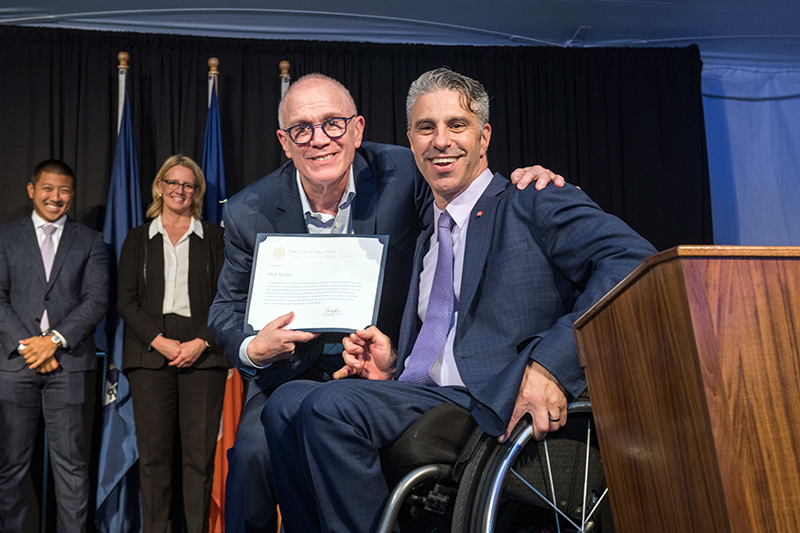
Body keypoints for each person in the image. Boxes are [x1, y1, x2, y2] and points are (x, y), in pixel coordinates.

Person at [262, 67, 658, 532]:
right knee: (286, 401)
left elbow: (633, 260)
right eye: (426, 128)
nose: (441, 141)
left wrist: (550, 365)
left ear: (484, 136)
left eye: (457, 125)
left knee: (330, 407)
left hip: (488, 398)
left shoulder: (532, 200)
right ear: (411, 142)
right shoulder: (426, 232)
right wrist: (391, 367)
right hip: (424, 395)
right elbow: (443, 333)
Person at [207, 73, 563, 532]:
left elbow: (463, 188)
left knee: (332, 424)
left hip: (382, 369)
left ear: (357, 130)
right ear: (284, 141)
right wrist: (253, 349)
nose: (319, 139)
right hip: (290, 371)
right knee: (255, 452)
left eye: (333, 124)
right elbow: (223, 311)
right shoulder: (246, 209)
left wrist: (527, 179)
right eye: (302, 129)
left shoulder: (402, 173)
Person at [117, 155, 229, 533]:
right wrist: (159, 341)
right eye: (173, 182)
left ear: (196, 192)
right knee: (153, 460)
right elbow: (126, 300)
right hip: (150, 354)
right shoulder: (138, 238)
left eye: (188, 184)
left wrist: (201, 341)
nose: (180, 190)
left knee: (199, 461)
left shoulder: (215, 237)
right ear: (160, 186)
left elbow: (227, 297)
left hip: (205, 354)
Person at [0, 160, 108, 533]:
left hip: (70, 364)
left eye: (63, 190)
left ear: (72, 194)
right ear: (32, 190)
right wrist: (31, 348)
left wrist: (53, 342)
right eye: (47, 189)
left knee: (72, 469)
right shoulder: (5, 237)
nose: (55, 197)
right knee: (11, 466)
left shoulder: (91, 240)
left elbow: (96, 300)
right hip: (16, 366)